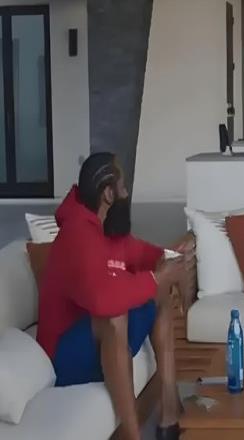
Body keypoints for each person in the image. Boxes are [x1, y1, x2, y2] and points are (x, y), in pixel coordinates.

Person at [37, 153, 192, 440]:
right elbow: (102, 301)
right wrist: (157, 278)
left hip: (96, 340)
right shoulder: (77, 236)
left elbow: (140, 252)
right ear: (108, 194)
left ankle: (169, 409)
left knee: (157, 293)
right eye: (122, 187)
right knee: (114, 317)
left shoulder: (105, 226)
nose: (127, 193)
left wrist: (170, 258)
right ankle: (132, 436)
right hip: (63, 357)